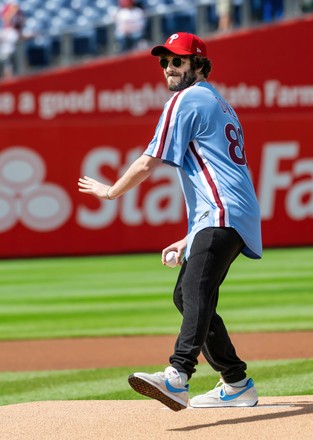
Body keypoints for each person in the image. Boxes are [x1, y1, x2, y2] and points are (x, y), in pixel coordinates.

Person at [78, 32, 262, 412]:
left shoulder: (187, 99)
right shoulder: (219, 102)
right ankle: (236, 381)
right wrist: (190, 235)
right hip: (226, 213)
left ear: (198, 64)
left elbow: (149, 161)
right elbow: (218, 175)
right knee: (188, 295)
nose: (169, 68)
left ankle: (177, 375)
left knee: (194, 291)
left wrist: (111, 192)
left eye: (178, 60)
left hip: (224, 212)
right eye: (165, 62)